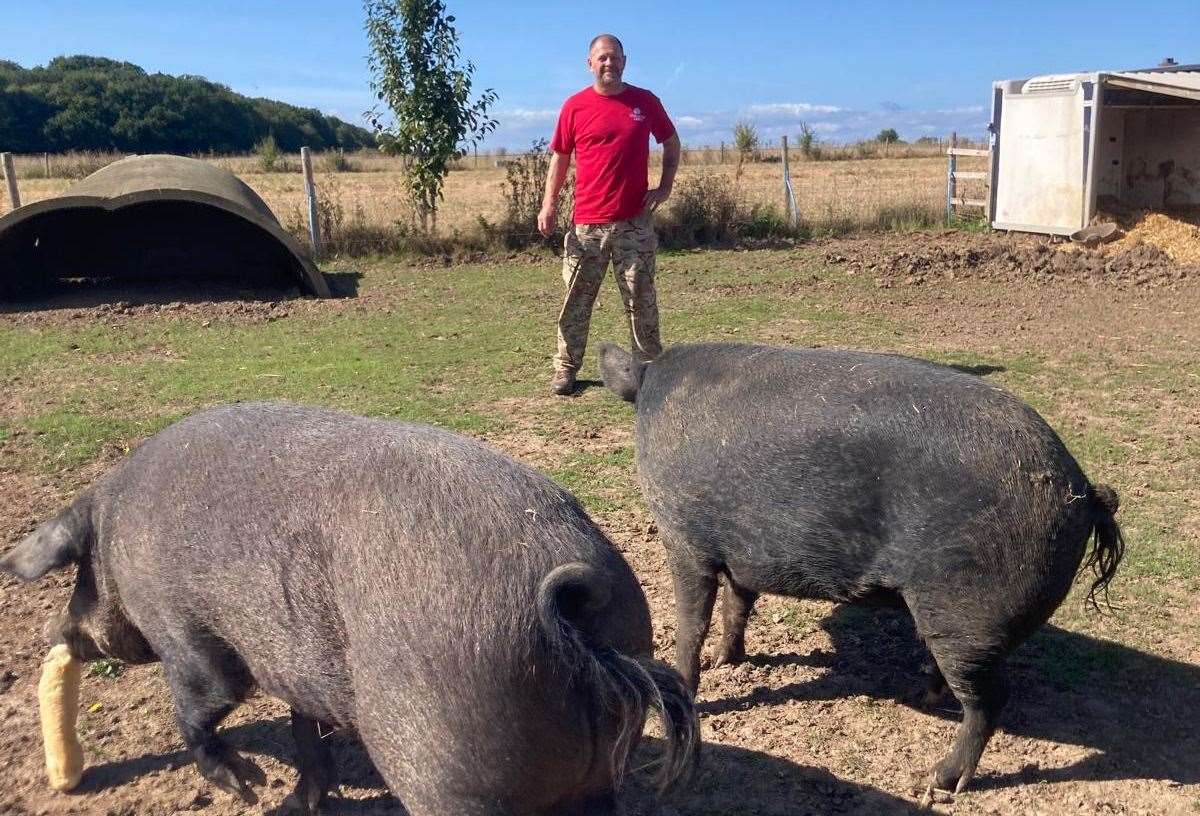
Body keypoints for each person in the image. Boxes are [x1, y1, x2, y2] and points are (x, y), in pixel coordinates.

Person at [538, 33, 681, 396]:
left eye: (614, 57)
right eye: (601, 58)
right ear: (590, 63)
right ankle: (565, 369)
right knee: (576, 301)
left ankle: (649, 372)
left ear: (624, 61)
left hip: (634, 224)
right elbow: (560, 157)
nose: (608, 64)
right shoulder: (574, 106)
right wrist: (549, 203)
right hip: (587, 226)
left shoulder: (645, 102)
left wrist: (664, 187)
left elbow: (671, 141)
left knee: (641, 299)